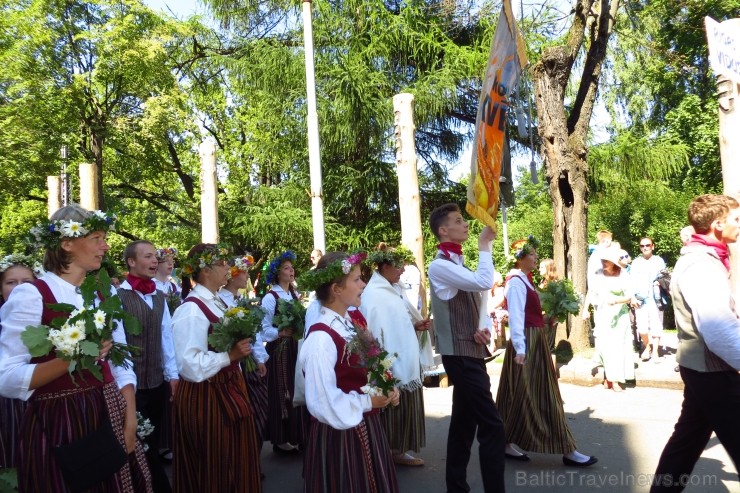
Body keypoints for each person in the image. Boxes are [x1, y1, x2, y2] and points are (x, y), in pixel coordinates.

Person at [0, 205, 152, 492]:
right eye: (96, 238)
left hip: (109, 410)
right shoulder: (32, 295)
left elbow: (120, 360)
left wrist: (129, 416)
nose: (105, 246)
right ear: (66, 242)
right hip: (61, 421)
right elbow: (6, 377)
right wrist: (74, 358)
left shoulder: (101, 294)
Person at [650, 194, 740, 492]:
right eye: (735, 219)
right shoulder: (701, 265)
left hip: (701, 368)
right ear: (717, 224)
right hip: (713, 371)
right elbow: (718, 330)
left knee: (686, 442)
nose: (739, 225)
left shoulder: (703, 258)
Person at [298, 251, 400, 492]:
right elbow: (323, 402)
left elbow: (370, 368)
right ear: (336, 289)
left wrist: (387, 387)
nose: (363, 284)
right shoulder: (321, 338)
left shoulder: (349, 324)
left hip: (364, 425)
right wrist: (369, 400)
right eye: (356, 279)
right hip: (340, 437)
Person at [497, 236, 597, 467]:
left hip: (534, 339)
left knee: (521, 393)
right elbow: (517, 317)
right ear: (520, 259)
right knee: (544, 394)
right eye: (531, 254)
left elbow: (529, 316)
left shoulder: (526, 280)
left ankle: (504, 440)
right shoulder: (515, 282)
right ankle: (567, 448)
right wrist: (521, 348)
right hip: (527, 344)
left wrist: (545, 318)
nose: (536, 257)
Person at [426, 203, 505, 493]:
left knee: (464, 423)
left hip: (468, 351)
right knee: (492, 426)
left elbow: (478, 294)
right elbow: (484, 281)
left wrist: (482, 326)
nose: (466, 224)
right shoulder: (439, 265)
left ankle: (456, 486)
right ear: (443, 230)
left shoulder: (456, 263)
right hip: (459, 355)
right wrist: (485, 244)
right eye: (459, 221)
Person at [170, 244, 261, 492]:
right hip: (207, 398)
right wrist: (229, 355)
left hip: (228, 390)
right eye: (221, 263)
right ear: (205, 271)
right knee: (216, 466)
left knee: (235, 461)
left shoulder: (217, 302)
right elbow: (189, 366)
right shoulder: (191, 310)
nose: (228, 268)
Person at [360, 244, 430, 467]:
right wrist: (383, 364)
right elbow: (377, 327)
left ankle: (398, 449)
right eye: (399, 265)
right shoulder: (375, 294)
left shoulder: (393, 289)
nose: (402, 270)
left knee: (403, 405)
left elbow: (397, 322)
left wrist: (415, 325)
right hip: (390, 360)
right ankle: (389, 451)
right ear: (386, 266)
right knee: (391, 406)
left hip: (404, 356)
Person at [118, 240, 179, 493]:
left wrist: (172, 374)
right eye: (148, 257)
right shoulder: (116, 295)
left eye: (156, 257)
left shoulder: (159, 295)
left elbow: (166, 335)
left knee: (150, 441)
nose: (155, 261)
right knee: (136, 442)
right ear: (131, 262)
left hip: (156, 381)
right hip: (130, 386)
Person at [260, 250, 308, 454]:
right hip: (279, 350)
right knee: (282, 391)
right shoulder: (270, 297)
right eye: (286, 268)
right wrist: (281, 332)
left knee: (296, 387)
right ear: (277, 273)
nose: (291, 271)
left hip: (294, 348)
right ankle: (280, 438)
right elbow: (263, 329)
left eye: (292, 268)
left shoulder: (293, 294)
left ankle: (297, 434)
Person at [219, 255, 270, 444]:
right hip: (236, 363)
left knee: (259, 409)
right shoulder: (221, 301)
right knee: (248, 411)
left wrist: (260, 358)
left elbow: (253, 332)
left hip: (248, 362)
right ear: (233, 276)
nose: (247, 275)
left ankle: (253, 460)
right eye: (244, 272)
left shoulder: (242, 299)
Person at [0, 255, 41, 470]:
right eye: (10, 282)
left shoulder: (44, 318)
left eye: (26, 282)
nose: (18, 288)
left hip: (35, 396)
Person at [581, 247, 635, 392]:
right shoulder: (598, 274)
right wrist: (585, 309)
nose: (604, 263)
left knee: (617, 347)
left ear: (613, 262)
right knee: (605, 346)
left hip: (619, 316)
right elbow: (591, 292)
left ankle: (616, 380)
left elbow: (629, 296)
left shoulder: (623, 274)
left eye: (607, 260)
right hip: (603, 314)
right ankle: (608, 376)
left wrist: (617, 301)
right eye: (602, 260)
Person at [630, 236, 667, 361]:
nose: (645, 247)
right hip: (641, 299)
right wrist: (632, 298)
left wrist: (660, 282)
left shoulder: (659, 261)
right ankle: (647, 346)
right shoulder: (636, 262)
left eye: (647, 245)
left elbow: (664, 277)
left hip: (656, 299)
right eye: (642, 245)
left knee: (657, 325)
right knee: (642, 328)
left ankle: (655, 351)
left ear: (653, 246)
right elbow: (631, 282)